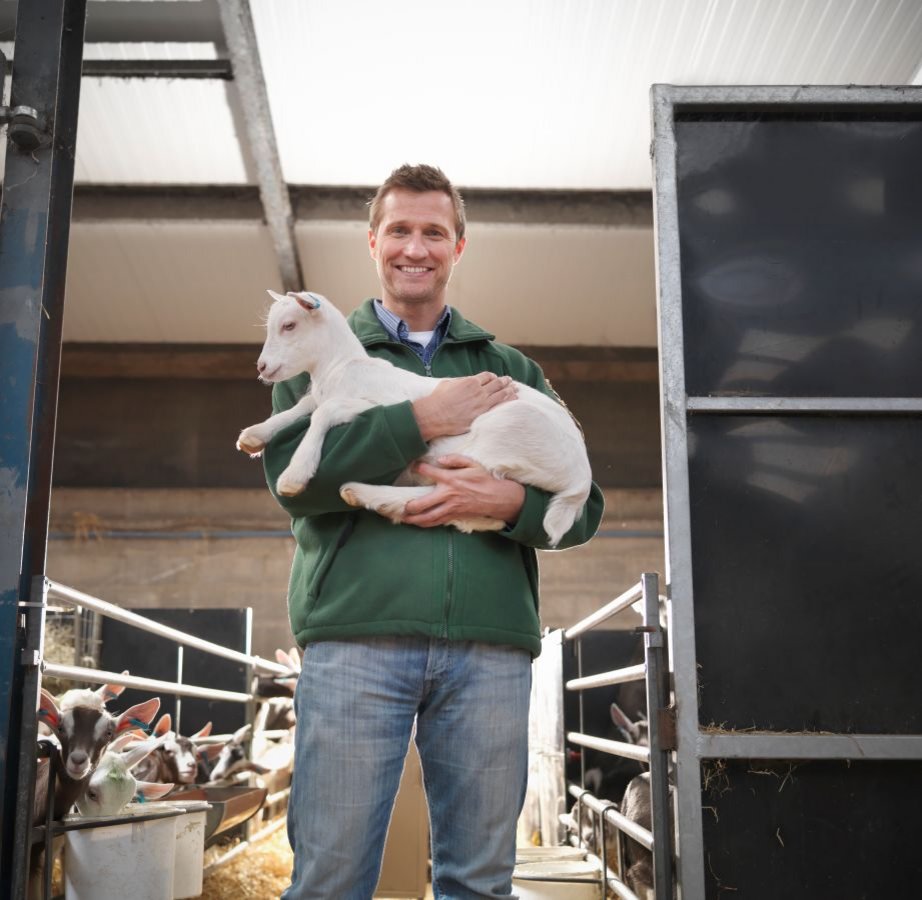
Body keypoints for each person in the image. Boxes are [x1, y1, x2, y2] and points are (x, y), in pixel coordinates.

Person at [263, 163, 604, 899]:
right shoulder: (315, 348)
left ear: (458, 247)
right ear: (373, 241)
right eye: (400, 231)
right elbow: (298, 482)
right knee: (330, 877)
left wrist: (509, 500)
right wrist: (422, 420)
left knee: (480, 883)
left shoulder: (508, 370)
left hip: (487, 651)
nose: (415, 247)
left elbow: (586, 509)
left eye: (434, 232)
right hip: (357, 639)